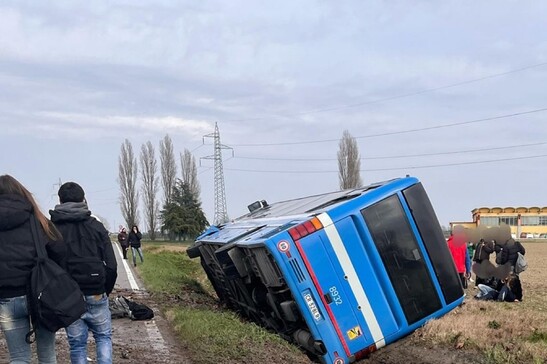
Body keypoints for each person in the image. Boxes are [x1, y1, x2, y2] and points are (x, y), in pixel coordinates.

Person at [49, 182, 117, 364]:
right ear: (83, 199)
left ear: (60, 200)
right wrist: (104, 290)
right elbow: (111, 266)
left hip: (69, 297)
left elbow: (46, 266)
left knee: (77, 345)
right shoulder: (96, 226)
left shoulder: (51, 229)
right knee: (103, 337)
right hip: (96, 292)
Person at [0, 174, 65, 363]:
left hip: (6, 298)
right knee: (47, 355)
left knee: (19, 357)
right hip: (40, 293)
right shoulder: (37, 220)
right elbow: (60, 250)